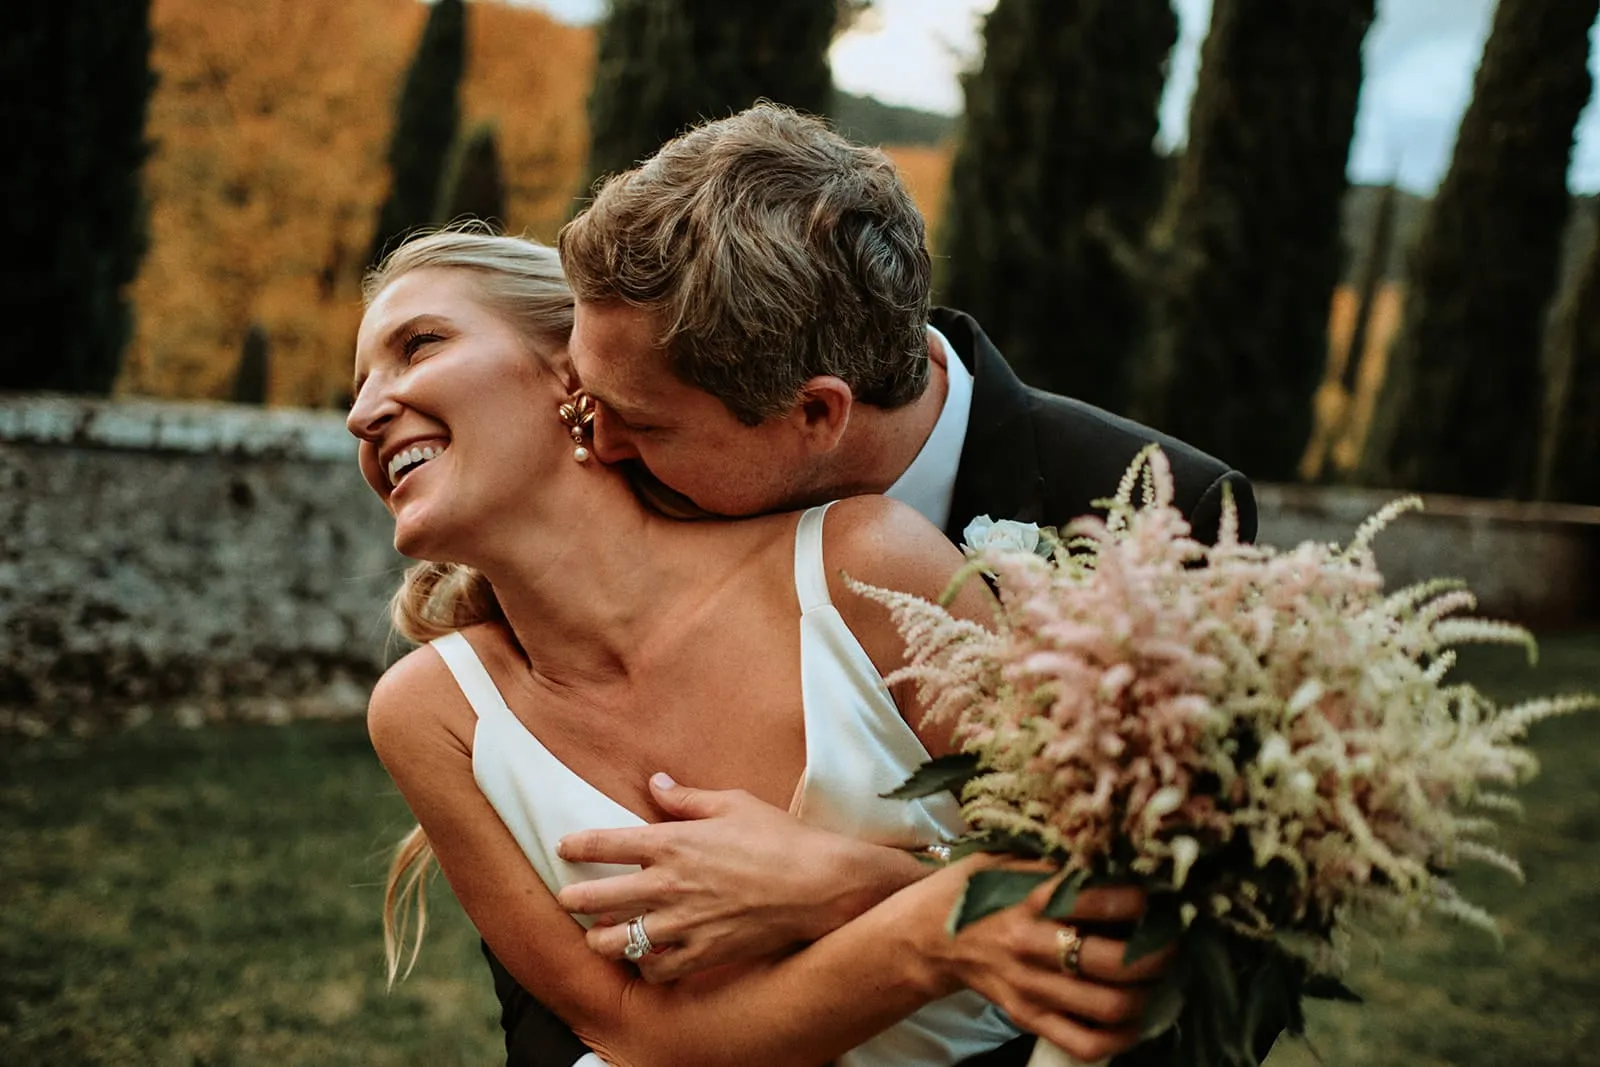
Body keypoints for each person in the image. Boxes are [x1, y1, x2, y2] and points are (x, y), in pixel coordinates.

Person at [482, 103, 1260, 1067]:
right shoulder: (624, 492)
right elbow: (549, 915)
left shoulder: (1157, 511)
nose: (594, 442)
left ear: (814, 412)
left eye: (642, 419)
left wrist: (856, 887)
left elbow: (1198, 960)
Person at [349, 230, 1175, 1067]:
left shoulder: (864, 567)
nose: (363, 412)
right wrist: (930, 927)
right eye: (360, 386)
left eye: (418, 345)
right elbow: (632, 1033)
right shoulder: (430, 714)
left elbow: (1116, 895)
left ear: (576, 371)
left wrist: (842, 888)